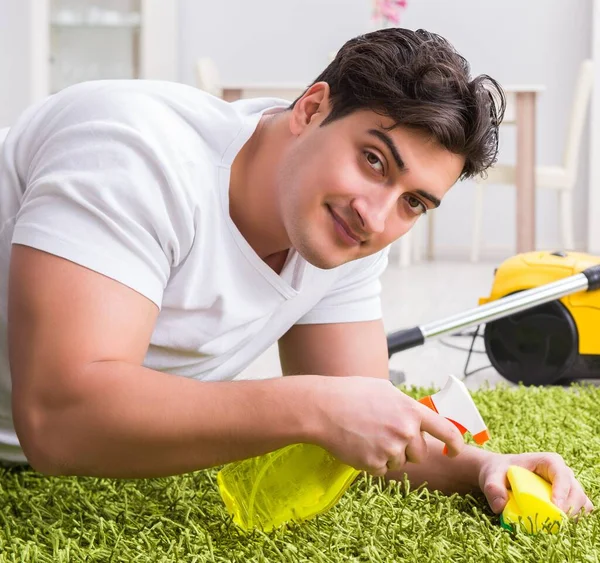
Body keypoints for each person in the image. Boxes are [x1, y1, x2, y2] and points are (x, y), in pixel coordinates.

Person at [0, 27, 593, 519]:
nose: (376, 214)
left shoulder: (349, 233)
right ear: (311, 109)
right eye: (373, 160)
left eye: (415, 202)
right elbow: (58, 421)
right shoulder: (133, 152)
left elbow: (364, 424)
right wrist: (311, 405)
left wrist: (482, 467)